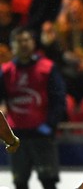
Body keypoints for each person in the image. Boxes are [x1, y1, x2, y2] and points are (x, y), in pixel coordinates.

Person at [0, 26, 66, 189]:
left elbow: (59, 100)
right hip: (16, 138)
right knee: (20, 183)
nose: (23, 44)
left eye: (26, 40)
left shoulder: (48, 68)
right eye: (19, 41)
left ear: (33, 43)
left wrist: (49, 126)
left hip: (42, 136)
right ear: (12, 45)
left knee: (48, 181)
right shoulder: (5, 71)